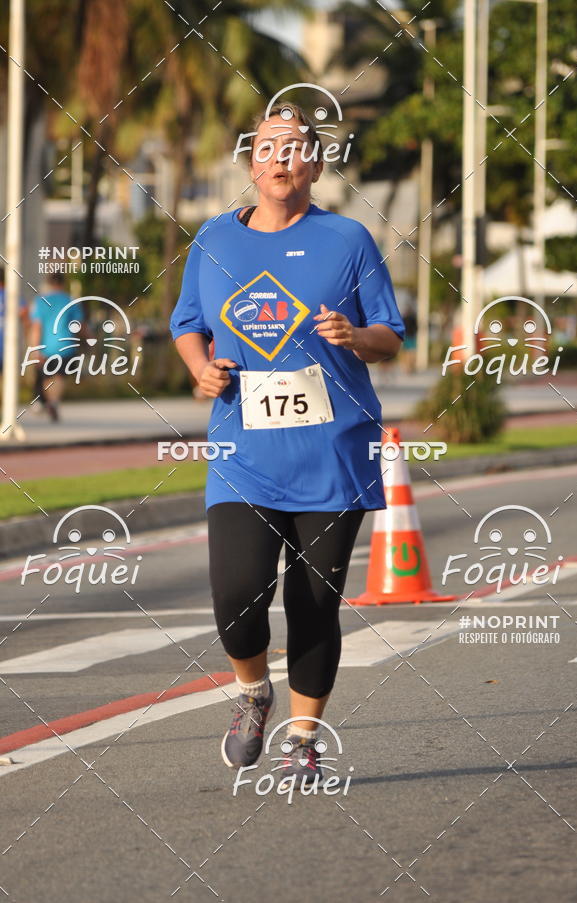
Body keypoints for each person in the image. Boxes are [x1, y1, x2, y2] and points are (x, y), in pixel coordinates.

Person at [170, 102, 405, 787]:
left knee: (314, 602)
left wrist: (353, 336)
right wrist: (199, 369)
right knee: (236, 597)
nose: (280, 159)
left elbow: (389, 334)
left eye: (295, 148)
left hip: (333, 453)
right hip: (243, 452)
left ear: (316, 164)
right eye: (268, 147)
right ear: (251, 162)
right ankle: (252, 690)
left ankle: (304, 737)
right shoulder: (214, 240)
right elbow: (188, 324)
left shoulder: (349, 240)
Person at [29, 273, 84, 421]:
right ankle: (53, 402)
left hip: (46, 346)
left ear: (48, 284)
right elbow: (78, 326)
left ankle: (47, 402)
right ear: (63, 283)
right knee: (59, 376)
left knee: (47, 376)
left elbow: (36, 327)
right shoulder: (71, 301)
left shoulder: (41, 302)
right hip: (66, 345)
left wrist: (35, 348)